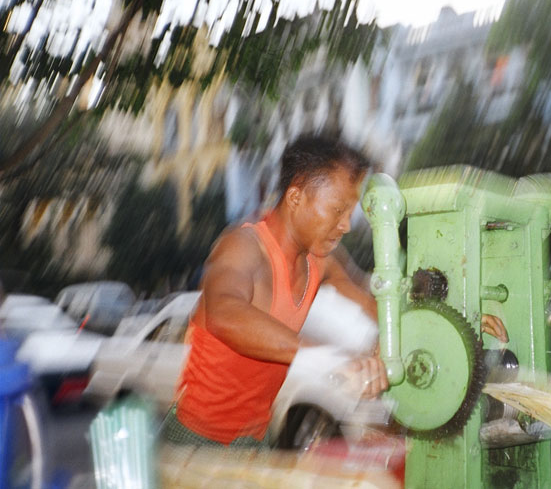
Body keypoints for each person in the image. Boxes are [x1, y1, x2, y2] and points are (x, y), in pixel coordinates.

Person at [165, 135, 507, 447]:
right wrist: (333, 360)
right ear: (296, 196)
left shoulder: (322, 259)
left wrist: (461, 318)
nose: (345, 225)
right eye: (337, 210)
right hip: (194, 441)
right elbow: (226, 314)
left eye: (350, 212)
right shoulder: (242, 246)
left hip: (254, 440)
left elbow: (380, 304)